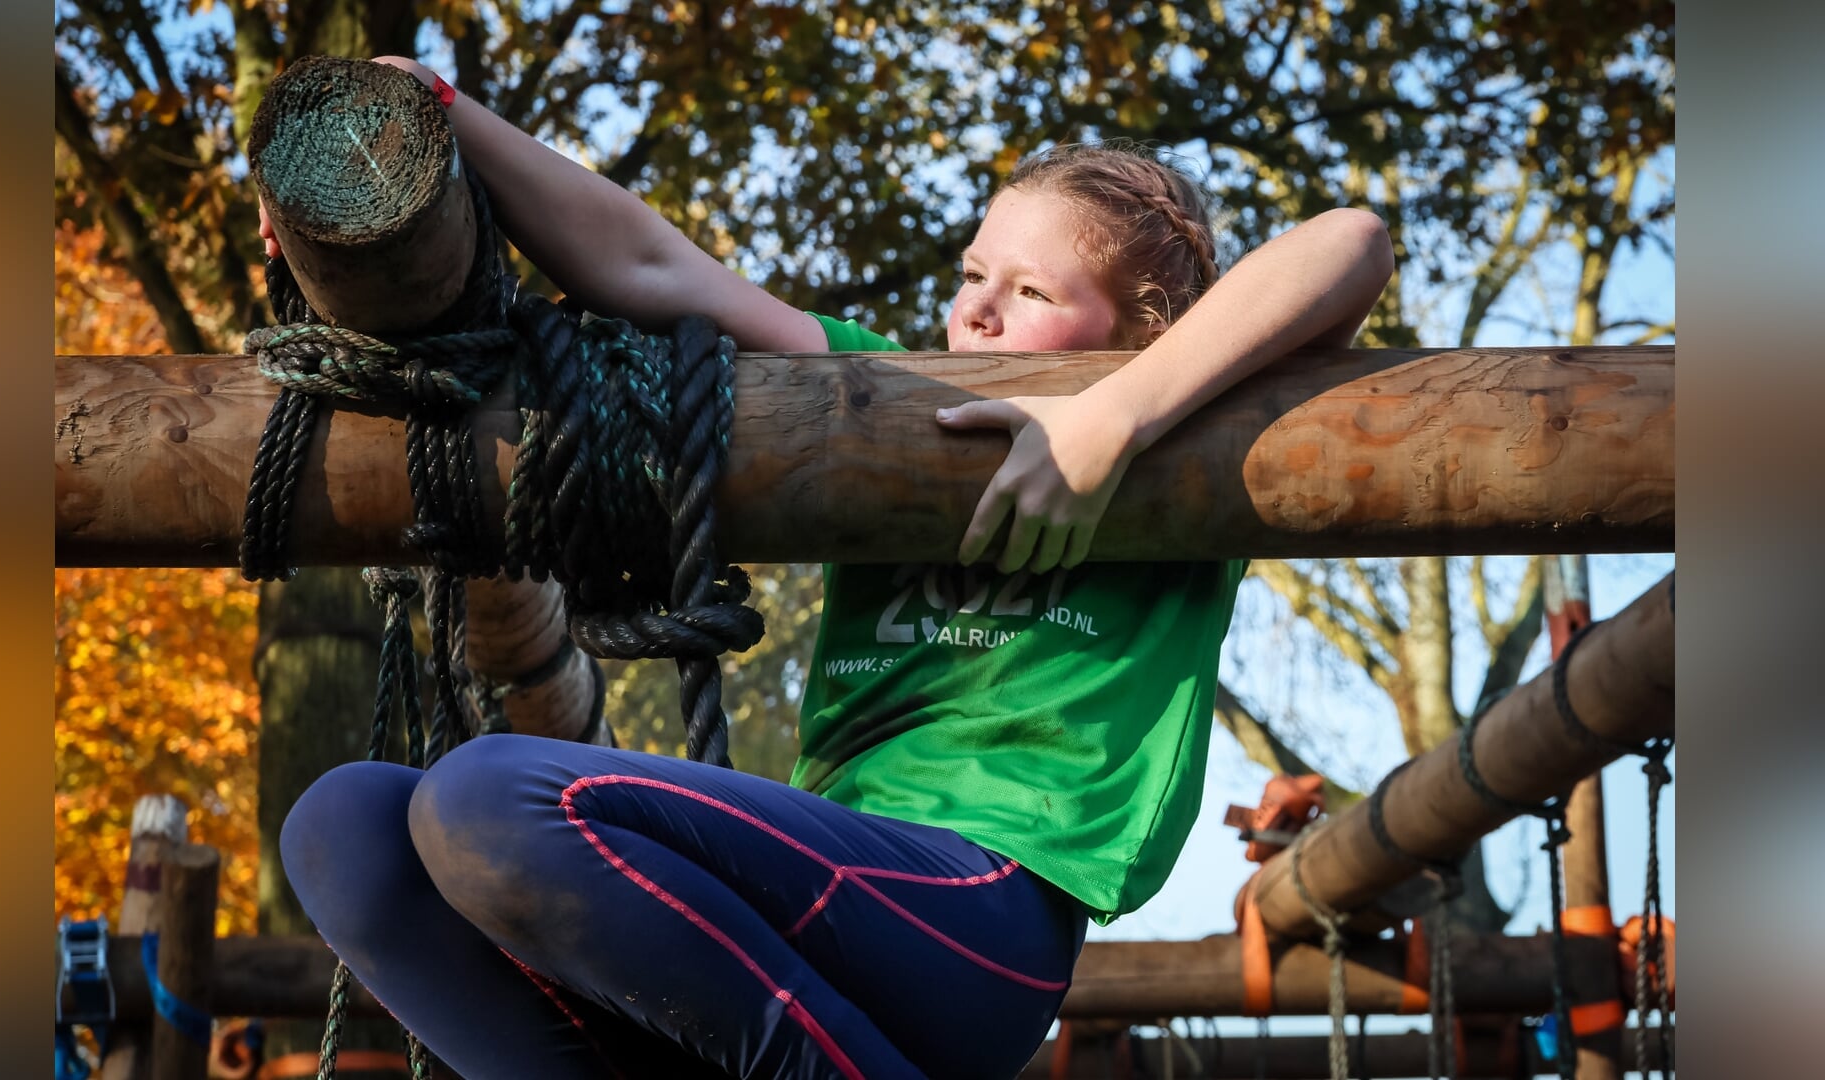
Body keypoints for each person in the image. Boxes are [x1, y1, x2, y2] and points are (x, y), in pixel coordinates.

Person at [274, 55, 1394, 1080]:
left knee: (489, 796)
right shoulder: (888, 392)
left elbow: (1351, 242)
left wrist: (1120, 416)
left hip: (980, 921)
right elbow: (649, 262)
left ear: (1144, 337)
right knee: (347, 827)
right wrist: (450, 119)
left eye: (1037, 293)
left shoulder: (1186, 438)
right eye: (974, 270)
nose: (979, 305)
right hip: (794, 935)